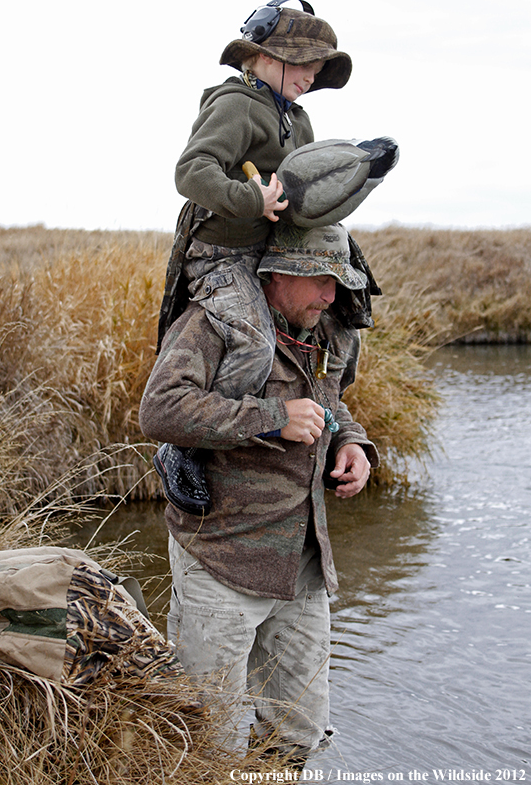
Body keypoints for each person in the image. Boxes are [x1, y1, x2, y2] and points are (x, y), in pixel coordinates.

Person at [139, 221, 380, 771]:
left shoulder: (323, 330)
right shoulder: (215, 322)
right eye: (321, 279)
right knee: (208, 741)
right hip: (221, 563)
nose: (331, 295)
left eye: (339, 282)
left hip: (303, 568)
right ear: (279, 274)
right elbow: (160, 409)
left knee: (295, 735)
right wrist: (271, 418)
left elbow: (329, 404)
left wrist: (352, 444)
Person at [154, 0, 354, 514]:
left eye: (317, 66)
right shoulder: (235, 104)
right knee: (255, 345)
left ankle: (334, 429)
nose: (311, 75)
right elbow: (192, 171)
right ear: (263, 55)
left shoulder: (299, 121)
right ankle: (183, 448)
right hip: (220, 254)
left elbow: (305, 188)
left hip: (268, 253)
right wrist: (250, 199)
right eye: (303, 62)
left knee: (345, 314)